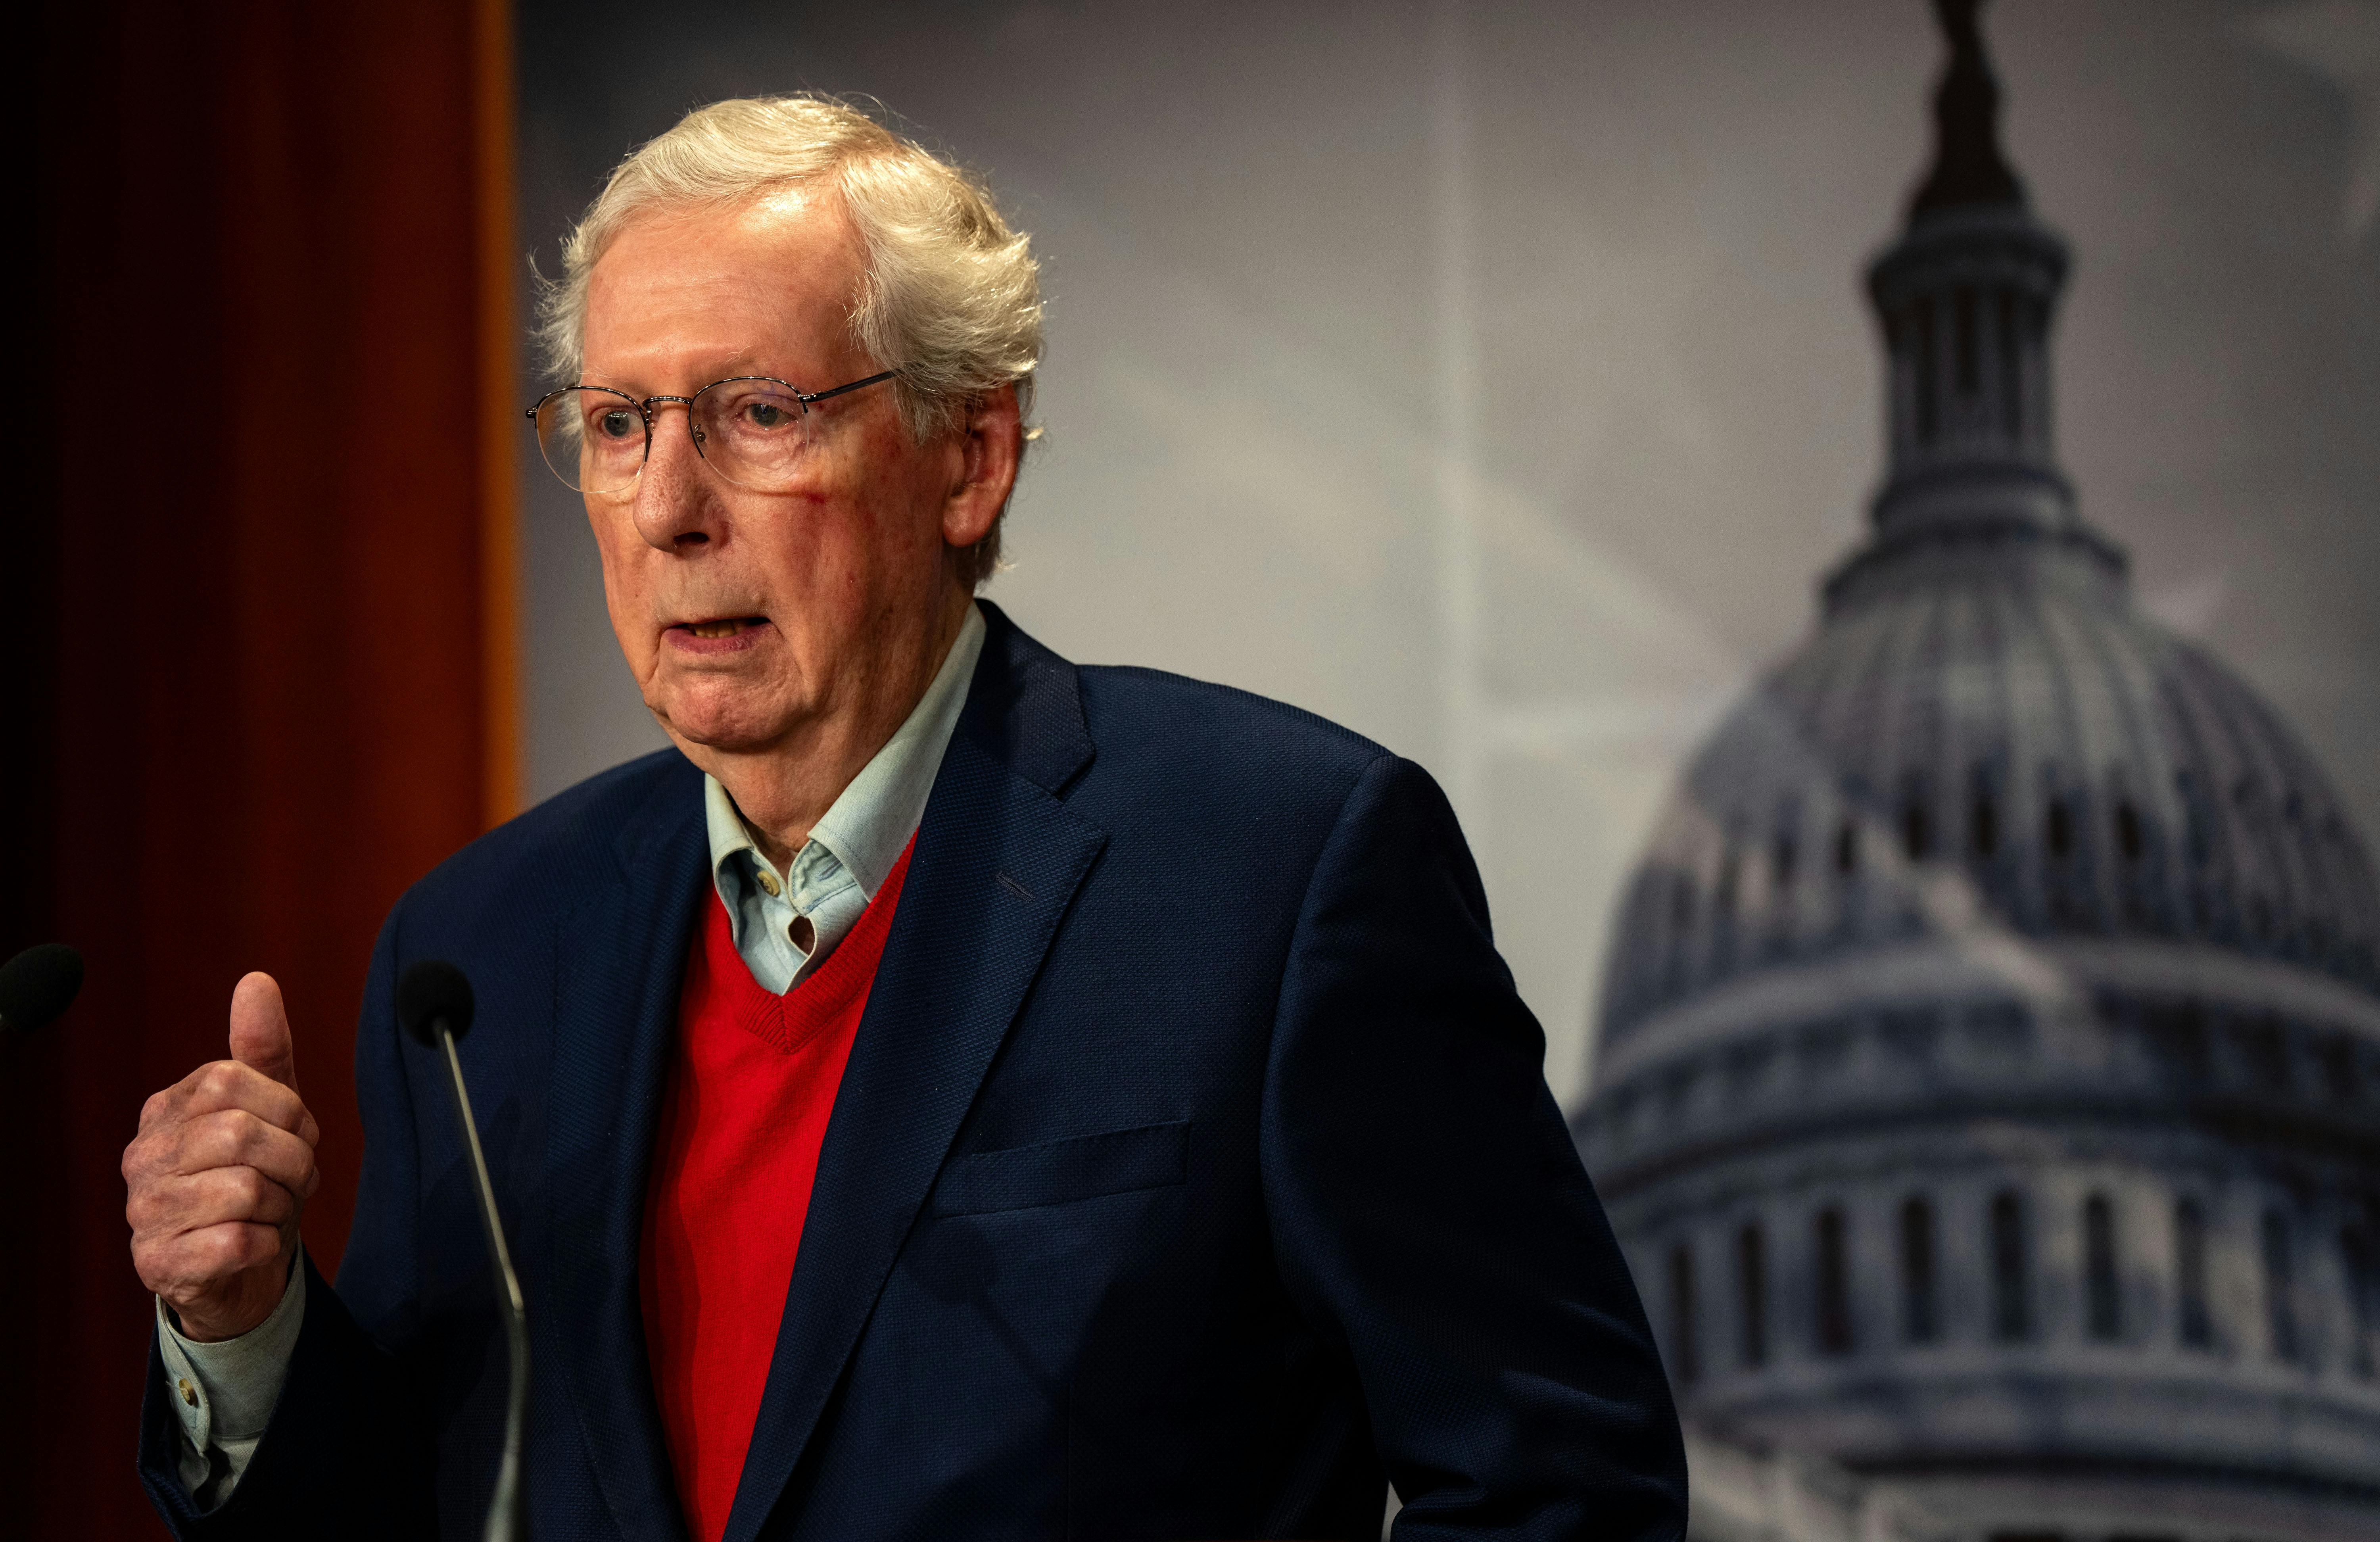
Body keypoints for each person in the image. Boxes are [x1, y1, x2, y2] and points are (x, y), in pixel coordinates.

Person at [121, 95, 1684, 1541]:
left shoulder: (1279, 872)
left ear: (971, 456)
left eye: (756, 412)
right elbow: (424, 1501)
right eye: (616, 425)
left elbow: (1562, 1477)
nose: (669, 507)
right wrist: (245, 1327)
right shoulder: (480, 957)